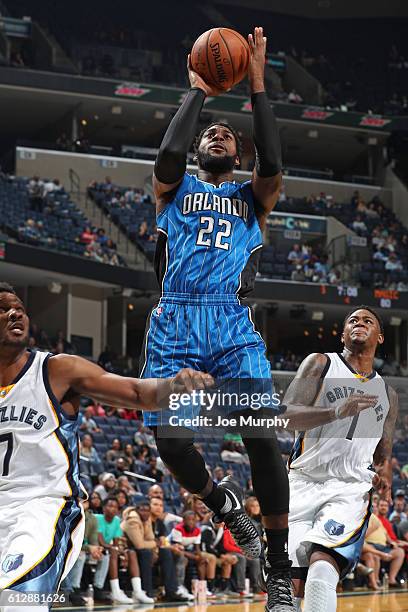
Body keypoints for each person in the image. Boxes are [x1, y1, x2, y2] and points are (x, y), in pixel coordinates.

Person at [141, 26, 295, 610]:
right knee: (170, 442)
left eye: (229, 134)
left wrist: (256, 85)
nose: (219, 134)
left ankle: (278, 570)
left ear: (239, 155)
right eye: (211, 132)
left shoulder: (251, 199)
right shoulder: (172, 189)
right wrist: (200, 92)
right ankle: (221, 501)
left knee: (263, 440)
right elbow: (167, 154)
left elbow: (274, 158)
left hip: (230, 327)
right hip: (177, 325)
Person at [0, 282, 211, 611]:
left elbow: (139, 394)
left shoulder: (56, 370)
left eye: (20, 309)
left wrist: (175, 386)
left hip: (42, 509)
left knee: (17, 603)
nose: (15, 313)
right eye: (2, 309)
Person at [286, 307, 398, 612]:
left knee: (322, 570)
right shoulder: (321, 363)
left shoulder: (388, 393)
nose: (359, 323)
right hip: (302, 482)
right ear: (343, 333)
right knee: (288, 585)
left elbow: (384, 450)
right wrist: (335, 411)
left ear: (380, 336)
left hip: (349, 488)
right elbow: (286, 417)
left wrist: (384, 474)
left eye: (367, 321)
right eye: (353, 320)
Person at [96, 497, 153, 604]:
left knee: (131, 552)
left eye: (115, 507)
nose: (112, 509)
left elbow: (116, 541)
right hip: (96, 546)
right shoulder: (98, 518)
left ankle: (137, 591)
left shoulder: (117, 520)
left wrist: (122, 552)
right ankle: (115, 591)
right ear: (103, 508)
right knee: (113, 551)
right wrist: (115, 549)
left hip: (108, 548)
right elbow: (101, 541)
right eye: (110, 506)